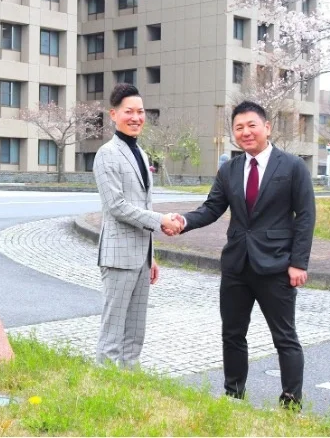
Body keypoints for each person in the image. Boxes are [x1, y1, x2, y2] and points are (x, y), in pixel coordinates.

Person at [167, 100, 315, 409]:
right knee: (233, 334)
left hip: (277, 265)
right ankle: (234, 395)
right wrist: (184, 222)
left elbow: (305, 216)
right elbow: (211, 208)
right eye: (238, 127)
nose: (245, 132)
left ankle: (291, 402)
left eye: (251, 125)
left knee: (284, 336)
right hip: (236, 265)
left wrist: (298, 263)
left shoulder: (292, 167)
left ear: (267, 127)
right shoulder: (229, 170)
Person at [92, 83, 182, 368]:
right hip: (118, 257)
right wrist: (160, 221)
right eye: (129, 111)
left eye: (140, 112)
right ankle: (105, 382)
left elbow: (142, 203)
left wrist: (150, 256)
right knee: (113, 330)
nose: (136, 117)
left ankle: (130, 382)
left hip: (141, 257)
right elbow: (116, 206)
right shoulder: (107, 153)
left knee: (135, 331)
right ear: (113, 115)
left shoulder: (140, 154)